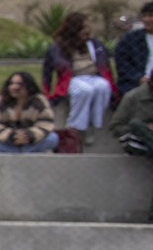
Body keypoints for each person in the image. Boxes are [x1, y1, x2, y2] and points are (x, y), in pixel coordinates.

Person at [43, 12, 114, 153]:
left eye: (88, 27)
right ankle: (75, 128)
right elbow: (47, 71)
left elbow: (106, 66)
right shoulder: (58, 48)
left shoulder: (95, 45)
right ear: (74, 29)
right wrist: (46, 92)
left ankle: (93, 124)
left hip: (95, 77)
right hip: (72, 79)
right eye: (83, 28)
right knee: (84, 90)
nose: (87, 31)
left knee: (103, 87)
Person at [107, 69, 153, 222]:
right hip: (137, 140)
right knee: (136, 124)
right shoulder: (134, 97)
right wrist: (144, 127)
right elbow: (116, 127)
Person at [0, 72, 58, 153]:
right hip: (8, 143)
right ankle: (22, 154)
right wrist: (12, 136)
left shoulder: (39, 101)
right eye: (11, 84)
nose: (14, 87)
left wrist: (28, 135)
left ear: (28, 86)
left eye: (19, 84)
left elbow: (46, 123)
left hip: (30, 143)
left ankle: (20, 153)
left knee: (53, 138)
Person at [112, 0, 153, 94]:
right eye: (144, 16)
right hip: (136, 84)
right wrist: (139, 78)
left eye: (151, 15)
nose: (146, 19)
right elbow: (122, 64)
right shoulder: (130, 39)